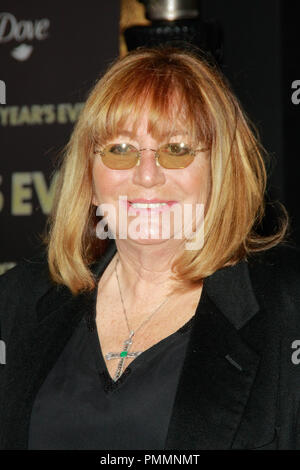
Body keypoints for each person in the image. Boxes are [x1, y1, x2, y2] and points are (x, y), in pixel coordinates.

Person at [0, 45, 300, 451]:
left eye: (176, 149)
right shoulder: (17, 301)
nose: (146, 175)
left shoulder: (288, 308)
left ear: (221, 171)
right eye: (120, 149)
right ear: (89, 176)